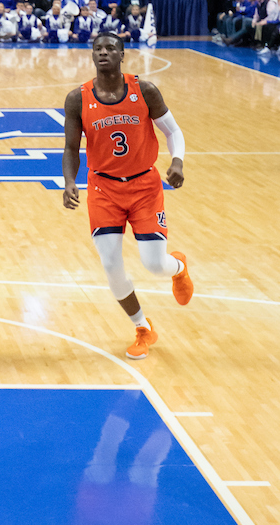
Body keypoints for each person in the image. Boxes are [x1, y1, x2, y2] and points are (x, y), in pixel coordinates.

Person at [61, 33, 193, 360]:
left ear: (122, 54)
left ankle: (177, 267)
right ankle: (142, 327)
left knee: (153, 264)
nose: (103, 53)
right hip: (103, 188)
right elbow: (70, 147)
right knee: (111, 264)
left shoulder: (144, 91)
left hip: (145, 186)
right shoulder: (77, 99)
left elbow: (173, 131)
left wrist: (177, 161)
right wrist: (68, 182)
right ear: (92, 55)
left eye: (109, 48)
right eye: (98, 49)